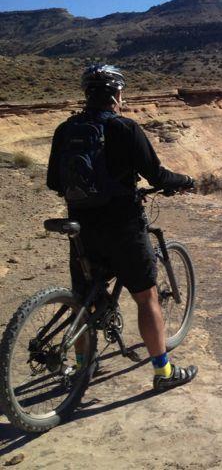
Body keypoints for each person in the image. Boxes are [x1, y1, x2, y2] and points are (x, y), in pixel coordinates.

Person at [46, 64, 198, 392]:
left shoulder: (65, 129)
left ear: (87, 94)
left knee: (84, 299)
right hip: (123, 226)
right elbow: (156, 176)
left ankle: (84, 368)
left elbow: (53, 182)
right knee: (147, 297)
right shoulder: (125, 128)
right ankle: (163, 371)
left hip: (82, 229)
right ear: (117, 94)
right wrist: (184, 181)